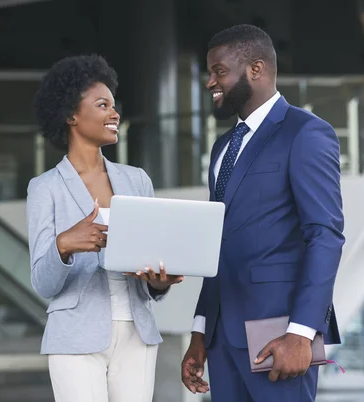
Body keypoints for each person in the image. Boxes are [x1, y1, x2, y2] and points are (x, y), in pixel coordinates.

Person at [180, 25, 345, 401]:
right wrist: (200, 332)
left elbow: (325, 236)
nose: (210, 82)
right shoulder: (222, 147)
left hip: (280, 336)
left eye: (219, 71)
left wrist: (302, 333)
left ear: (255, 69)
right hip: (222, 339)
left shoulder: (306, 133)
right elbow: (216, 244)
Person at [27, 54, 183, 402]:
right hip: (74, 336)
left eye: (115, 106)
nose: (115, 114)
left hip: (137, 335)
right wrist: (64, 244)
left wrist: (158, 282)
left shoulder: (137, 180)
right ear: (70, 115)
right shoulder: (45, 188)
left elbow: (151, 262)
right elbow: (43, 282)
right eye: (102, 105)